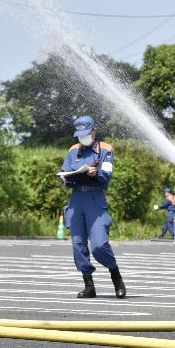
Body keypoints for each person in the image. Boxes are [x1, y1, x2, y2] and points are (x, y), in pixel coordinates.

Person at [60, 116, 126, 299]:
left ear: (94, 131)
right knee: (78, 244)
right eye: (79, 135)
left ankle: (116, 276)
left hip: (95, 198)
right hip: (77, 199)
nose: (82, 138)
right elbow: (65, 173)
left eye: (86, 134)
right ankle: (89, 285)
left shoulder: (105, 149)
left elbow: (106, 176)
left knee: (99, 244)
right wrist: (67, 177)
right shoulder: (73, 150)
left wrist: (95, 173)